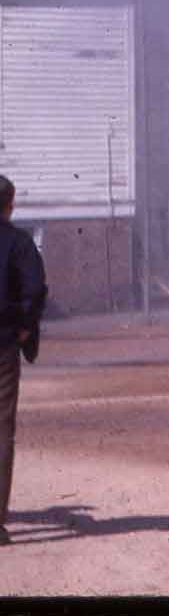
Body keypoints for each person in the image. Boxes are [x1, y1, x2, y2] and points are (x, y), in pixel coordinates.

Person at [1, 173, 49, 546]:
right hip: (2, 345)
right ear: (10, 203)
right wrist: (22, 331)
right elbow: (35, 291)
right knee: (2, 431)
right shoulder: (19, 244)